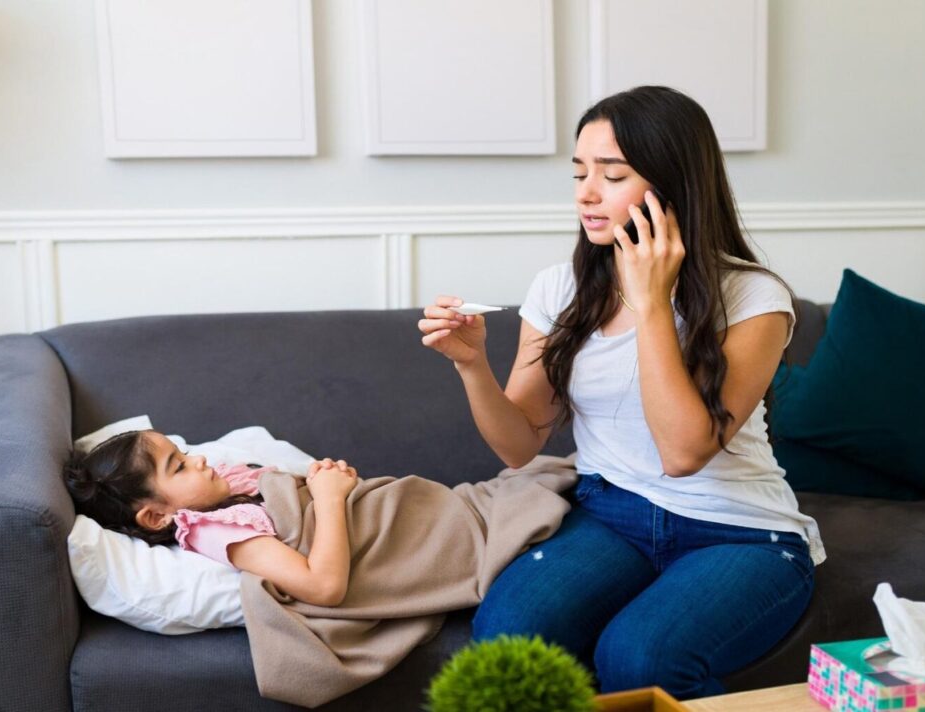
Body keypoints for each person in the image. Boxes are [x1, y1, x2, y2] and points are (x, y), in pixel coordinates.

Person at [417, 85, 825, 699]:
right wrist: (472, 365)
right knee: (509, 634)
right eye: (579, 172)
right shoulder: (559, 288)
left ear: (673, 185)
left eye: (612, 175)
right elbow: (518, 447)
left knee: (640, 656)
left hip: (739, 530)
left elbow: (683, 453)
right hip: (612, 514)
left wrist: (651, 302)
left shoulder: (753, 297)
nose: (586, 192)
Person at [64, 429, 359, 607]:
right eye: (179, 467)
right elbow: (323, 587)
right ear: (156, 516)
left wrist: (320, 477)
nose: (199, 459)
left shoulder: (226, 486)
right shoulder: (214, 529)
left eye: (184, 453)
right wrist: (329, 497)